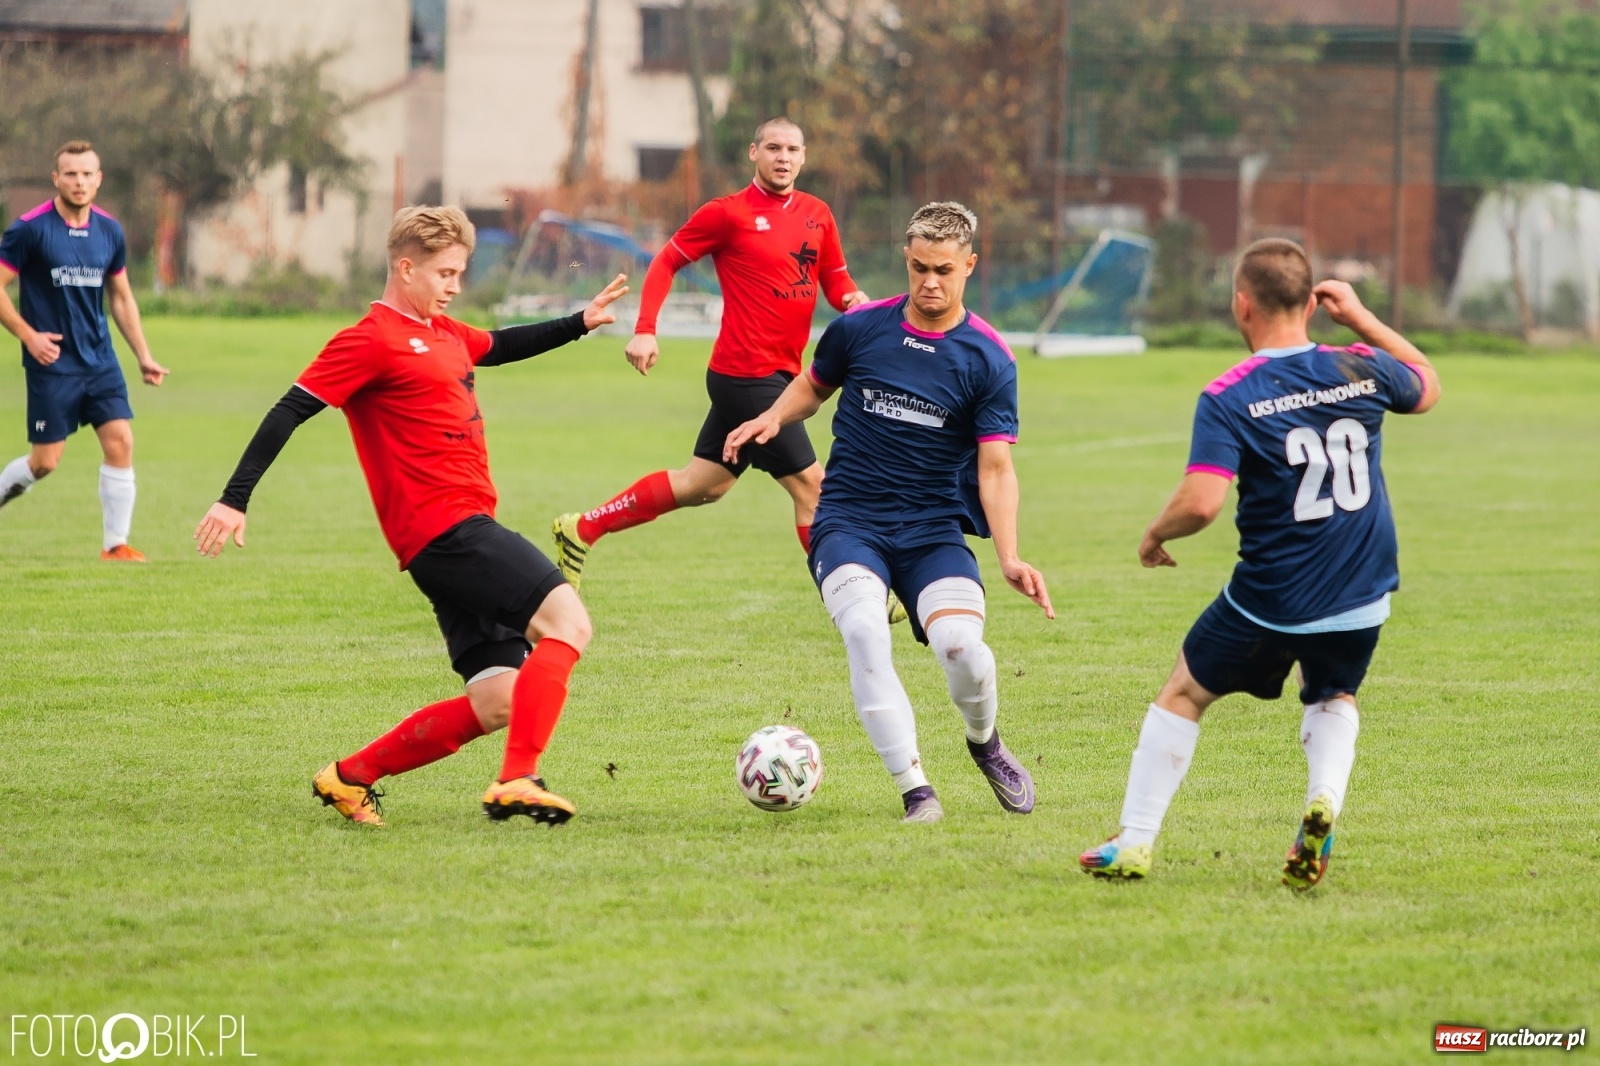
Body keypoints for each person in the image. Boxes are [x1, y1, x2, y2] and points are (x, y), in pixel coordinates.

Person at [194, 206, 628, 827]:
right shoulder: (368, 339)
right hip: (447, 531)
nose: (454, 285)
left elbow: (500, 346)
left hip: (455, 534)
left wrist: (580, 323)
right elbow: (289, 410)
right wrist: (234, 497)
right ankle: (517, 778)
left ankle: (349, 777)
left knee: (499, 698)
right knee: (569, 623)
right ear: (406, 267)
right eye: (445, 273)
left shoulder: (447, 332)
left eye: (460, 273)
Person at [1078, 238, 1441, 888]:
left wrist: (1154, 534)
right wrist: (1360, 318)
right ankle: (1323, 800)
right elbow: (1428, 385)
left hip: (1272, 597)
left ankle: (1132, 843)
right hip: (1363, 593)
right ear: (1310, 303)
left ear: (1241, 305)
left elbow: (1203, 502)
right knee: (1333, 692)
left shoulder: (1230, 394)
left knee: (1184, 692)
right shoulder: (1359, 366)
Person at [725, 202, 1054, 823]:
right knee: (865, 631)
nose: (931, 282)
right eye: (921, 268)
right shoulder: (860, 328)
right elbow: (813, 386)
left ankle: (986, 745)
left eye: (945, 270)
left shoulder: (988, 358)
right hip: (848, 520)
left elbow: (996, 468)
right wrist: (772, 416)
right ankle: (916, 791)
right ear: (907, 259)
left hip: (932, 530)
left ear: (970, 267)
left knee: (964, 650)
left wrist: (1008, 555)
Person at [550, 118, 898, 611]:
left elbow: (835, 283)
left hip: (780, 373)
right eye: (773, 147)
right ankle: (863, 599)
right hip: (745, 375)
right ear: (753, 152)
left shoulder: (818, 214)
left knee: (702, 485)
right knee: (813, 488)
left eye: (793, 149)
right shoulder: (727, 214)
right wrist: (645, 328)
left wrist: (856, 302)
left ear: (804, 156)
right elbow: (666, 261)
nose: (783, 157)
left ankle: (581, 528)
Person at [0, 140, 169, 559]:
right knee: (45, 463)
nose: (79, 182)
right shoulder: (30, 228)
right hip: (53, 363)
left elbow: (122, 297)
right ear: (56, 178)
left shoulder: (110, 230)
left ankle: (116, 546)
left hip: (100, 359)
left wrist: (143, 355)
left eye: (87, 174)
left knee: (120, 441)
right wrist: (28, 335)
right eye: (70, 174)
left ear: (99, 179)